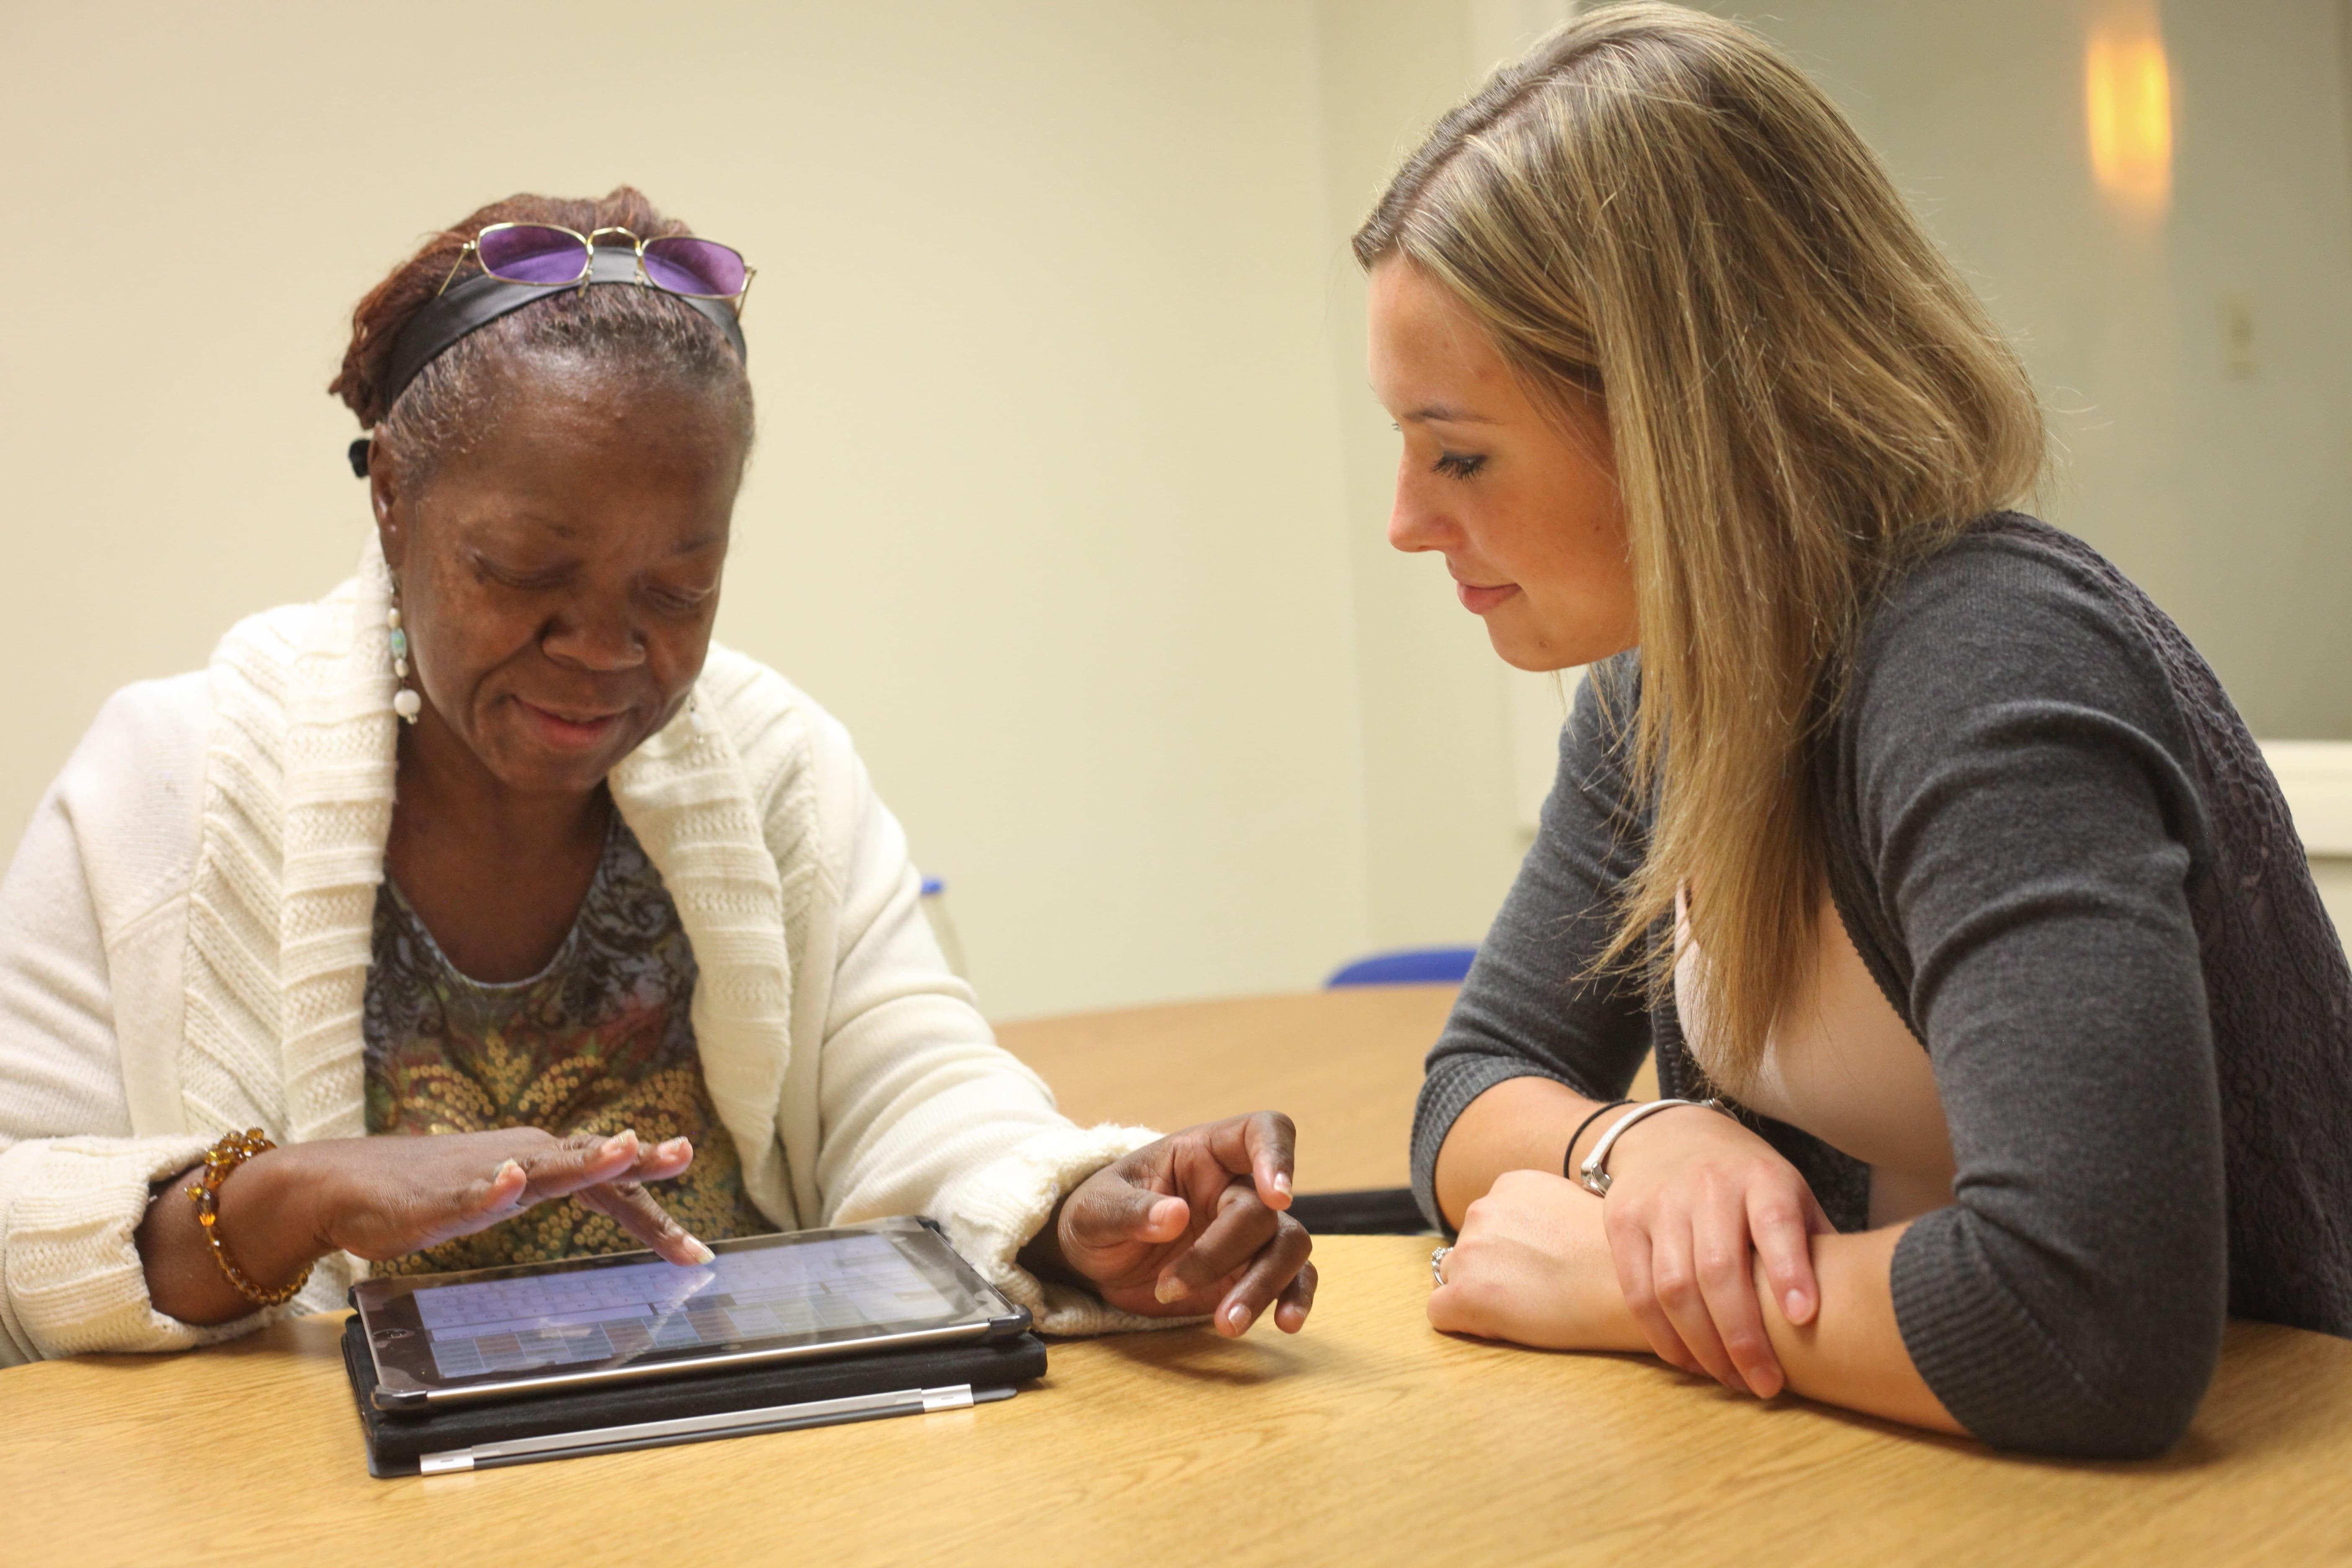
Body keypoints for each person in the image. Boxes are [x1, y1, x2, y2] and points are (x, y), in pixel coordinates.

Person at [0, 188, 1313, 1364]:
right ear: (393, 497)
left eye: (678, 589)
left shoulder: (775, 757)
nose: (604, 654)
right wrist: (294, 1196)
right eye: (523, 574)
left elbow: (911, 1087)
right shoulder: (169, 784)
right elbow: (17, 1218)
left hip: (737, 1471)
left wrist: (1080, 1207)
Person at [1368, 4, 2352, 1458]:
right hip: (1916, 1466)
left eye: (1460, 453)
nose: (1406, 524)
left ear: (1680, 416)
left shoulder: (1985, 669)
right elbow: (1469, 1088)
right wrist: (1638, 1142)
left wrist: (1637, 1292)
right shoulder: (1661, 694)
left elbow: (2095, 1327)